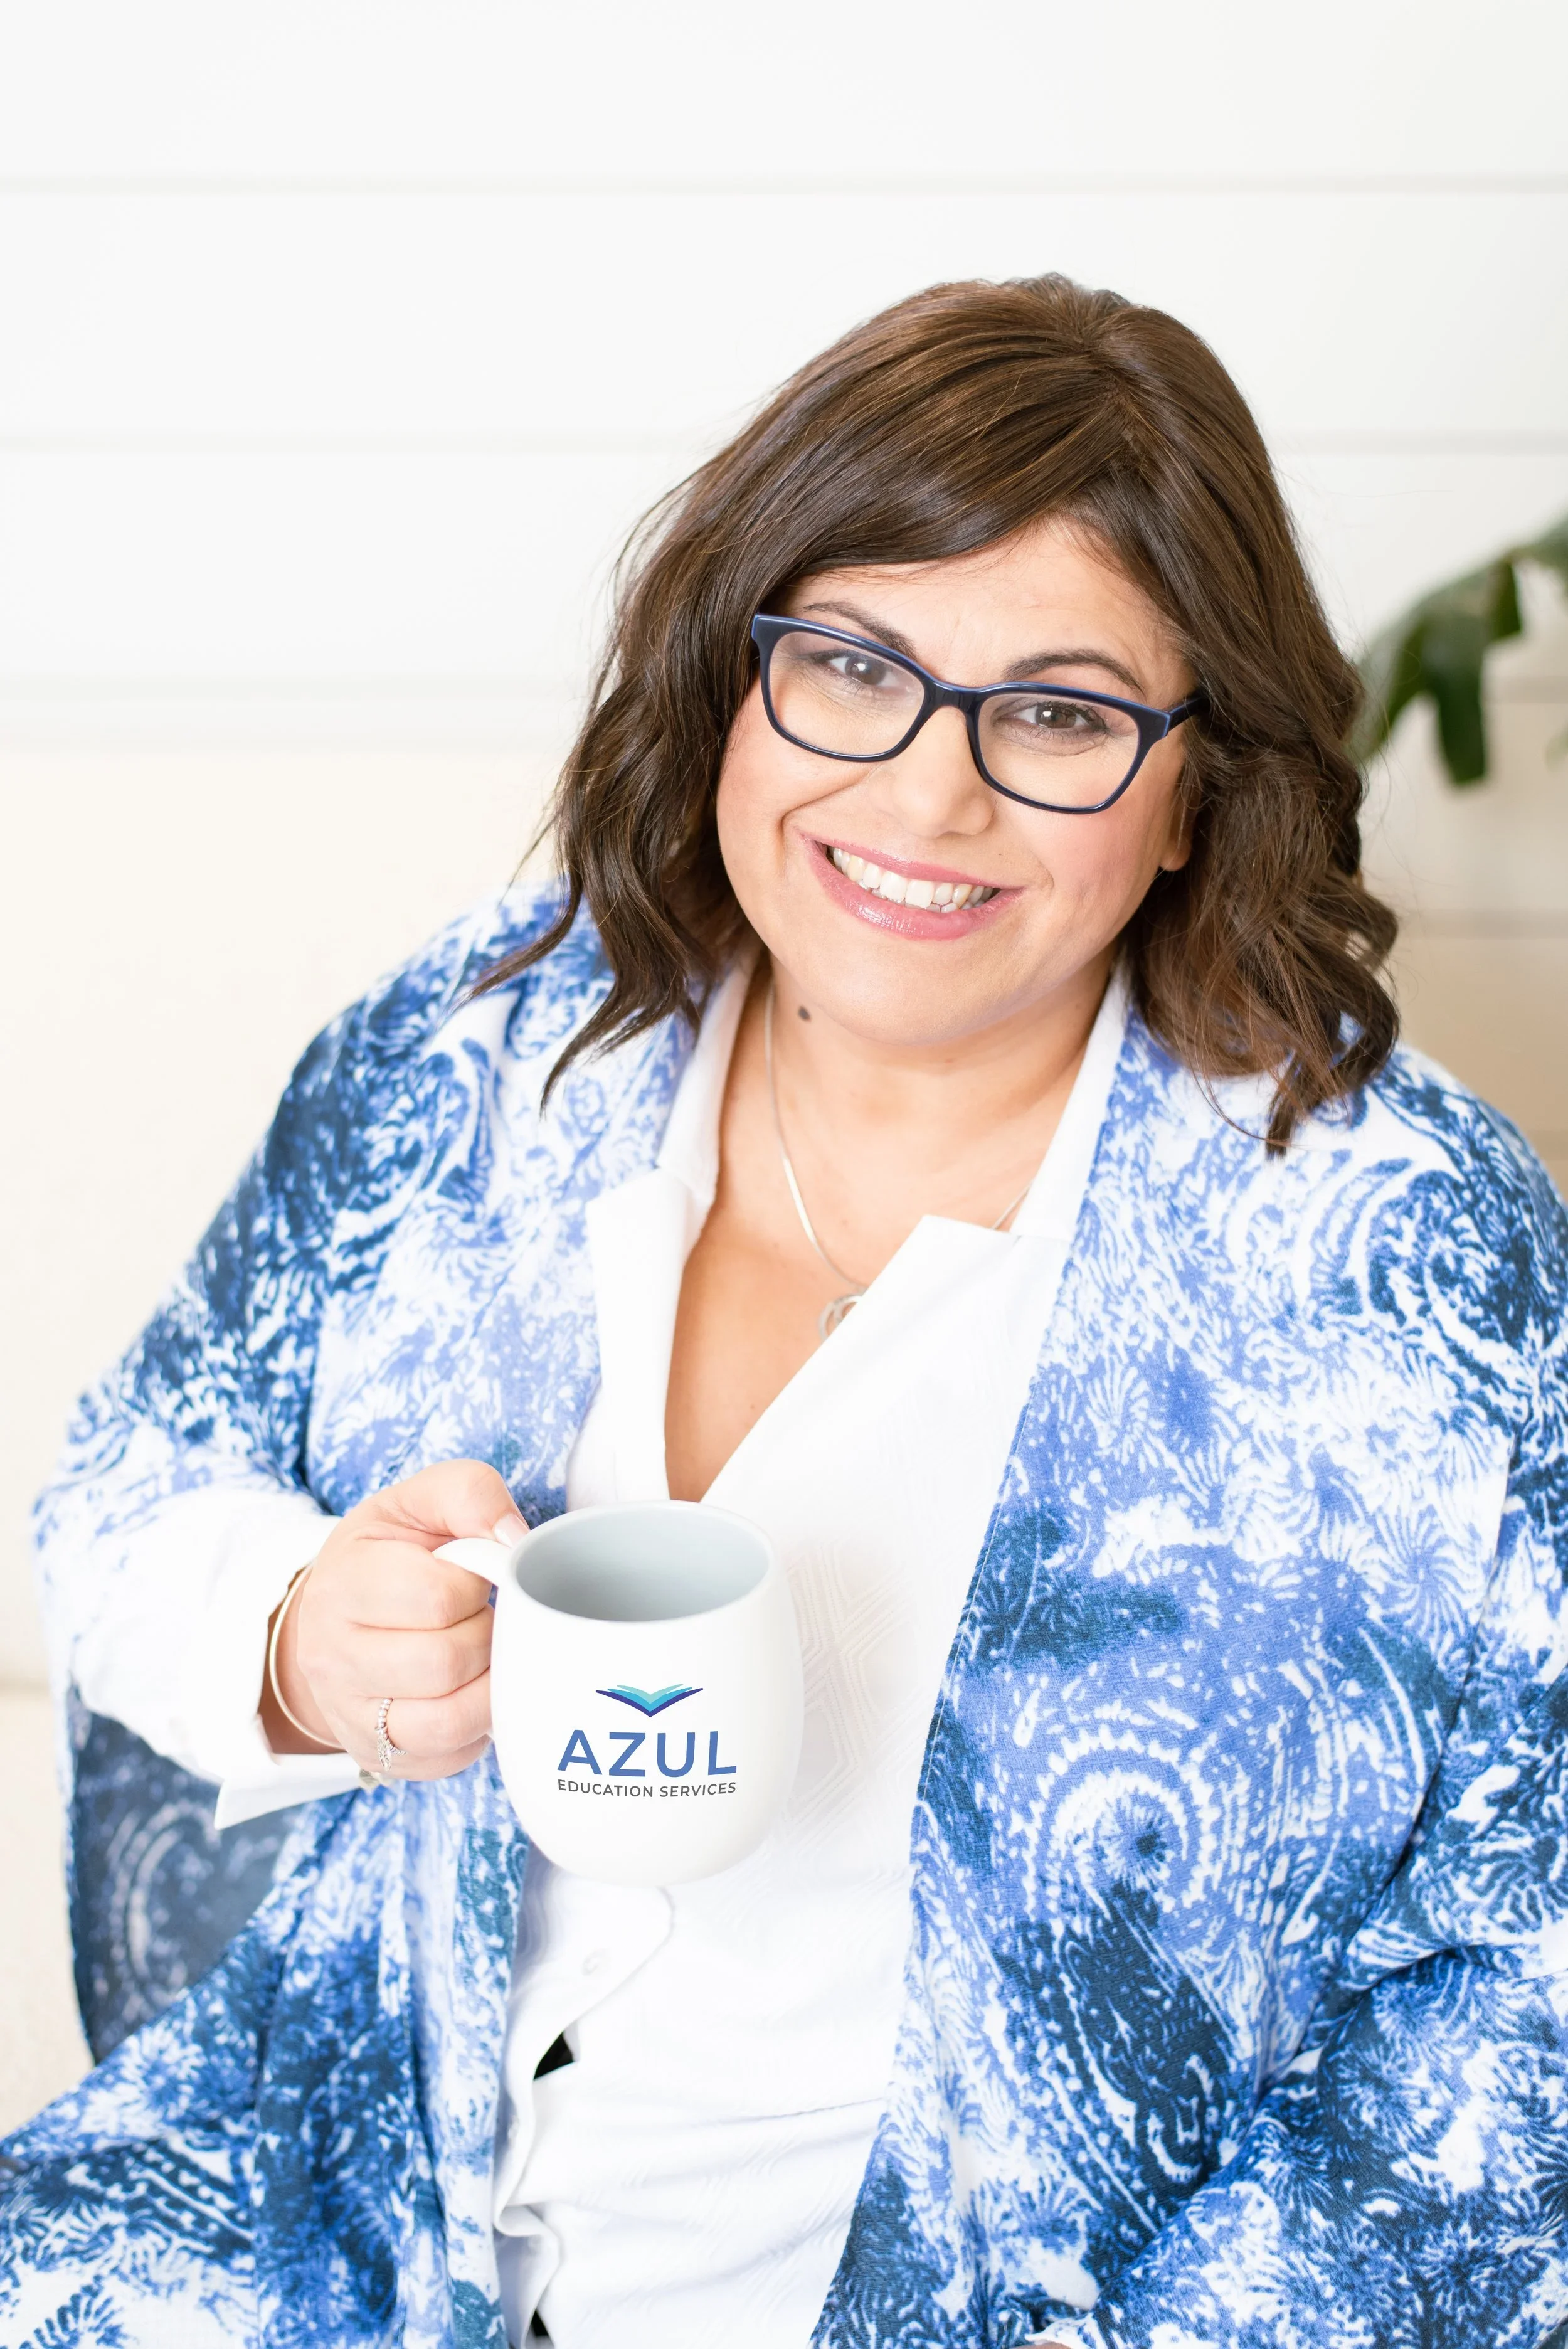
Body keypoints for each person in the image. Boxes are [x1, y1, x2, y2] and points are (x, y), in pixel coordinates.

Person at [3, 272, 1564, 2349]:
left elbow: (1518, 1998)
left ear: (1201, 778)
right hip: (317, 2233)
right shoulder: (482, 1043)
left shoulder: (1407, 1254)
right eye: (851, 665)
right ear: (729, 671)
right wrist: (295, 1632)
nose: (927, 800)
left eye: (1062, 714)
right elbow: (119, 1484)